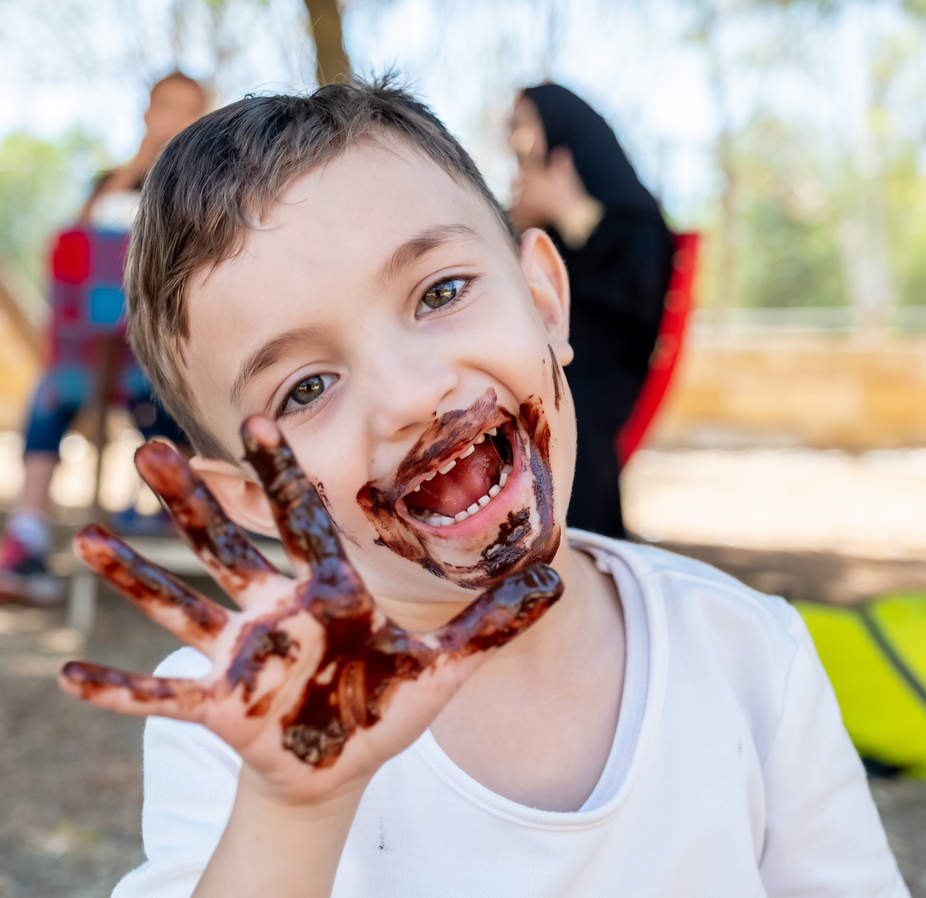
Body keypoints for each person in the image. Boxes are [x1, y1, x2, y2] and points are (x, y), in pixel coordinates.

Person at [57, 81, 908, 897]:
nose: (408, 395)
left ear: (543, 301)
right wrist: (291, 809)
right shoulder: (247, 717)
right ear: (252, 501)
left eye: (441, 292)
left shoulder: (751, 654)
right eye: (306, 388)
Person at [0, 72, 207, 607]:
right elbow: (70, 252)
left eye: (189, 110)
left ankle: (179, 512)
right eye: (166, 107)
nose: (175, 119)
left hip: (165, 359)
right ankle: (26, 538)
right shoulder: (111, 183)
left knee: (167, 402)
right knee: (48, 395)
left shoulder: (205, 183)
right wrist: (134, 168)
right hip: (98, 355)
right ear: (147, 114)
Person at [509, 83, 674, 539]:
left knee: (569, 407)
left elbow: (637, 296)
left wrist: (574, 215)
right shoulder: (531, 206)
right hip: (550, 357)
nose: (515, 139)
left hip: (604, 371)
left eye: (524, 125)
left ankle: (586, 548)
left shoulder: (629, 210)